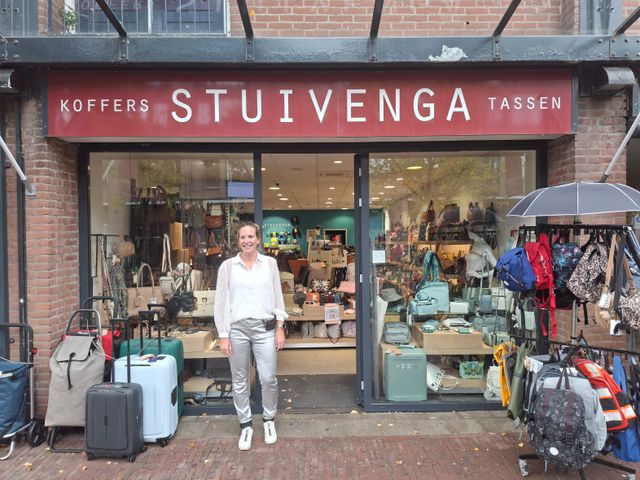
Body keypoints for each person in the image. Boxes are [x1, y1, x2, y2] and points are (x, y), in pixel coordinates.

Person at [214, 222, 288, 451]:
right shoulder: (227, 267)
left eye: (250, 237)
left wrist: (280, 326)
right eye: (242, 237)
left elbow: (278, 296)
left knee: (268, 378)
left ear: (258, 239)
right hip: (237, 330)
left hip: (265, 329)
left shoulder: (270, 264)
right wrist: (223, 335)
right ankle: (245, 425)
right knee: (239, 380)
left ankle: (268, 420)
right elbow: (221, 303)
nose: (246, 241)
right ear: (238, 241)